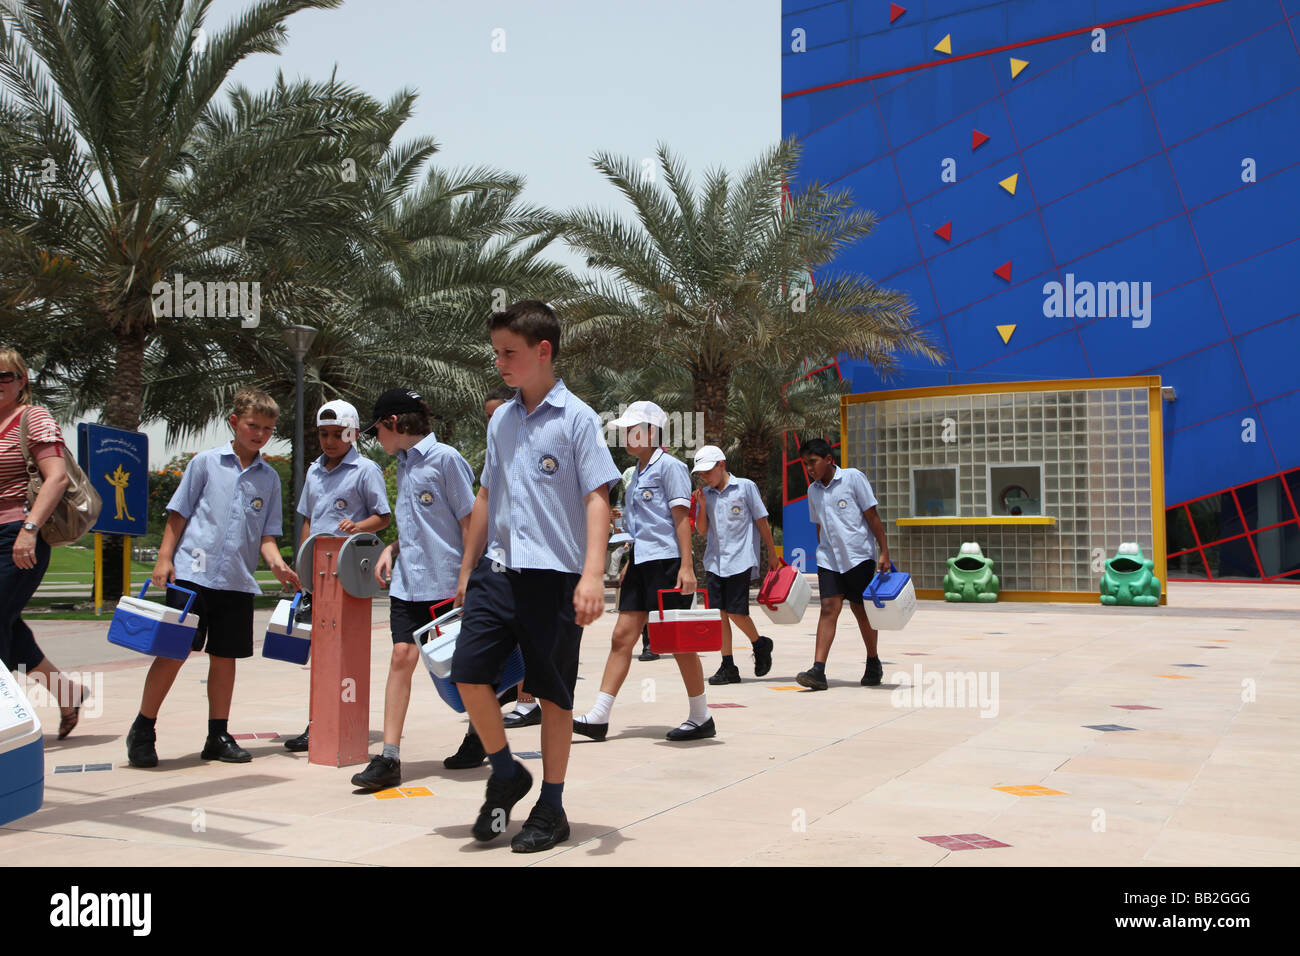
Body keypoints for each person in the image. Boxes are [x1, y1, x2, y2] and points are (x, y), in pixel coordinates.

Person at [452, 299, 620, 852]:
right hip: (497, 572)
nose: (499, 362)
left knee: (552, 693)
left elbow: (598, 497)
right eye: (496, 351)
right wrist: (467, 566)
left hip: (555, 577)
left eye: (510, 352)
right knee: (469, 672)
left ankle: (551, 806)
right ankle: (506, 771)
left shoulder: (577, 419)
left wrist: (591, 575)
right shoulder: (501, 419)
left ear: (543, 351)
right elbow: (486, 493)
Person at [126, 387, 301, 767]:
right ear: (235, 422)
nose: (260, 434)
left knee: (226, 658)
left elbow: (267, 535)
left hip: (237, 582)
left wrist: (276, 564)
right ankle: (143, 729)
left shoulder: (269, 479)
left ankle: (218, 735)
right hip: (192, 574)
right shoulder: (205, 463)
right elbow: (179, 513)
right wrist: (163, 558)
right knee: (174, 652)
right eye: (253, 425)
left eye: (268, 429)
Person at [350, 388, 476, 791]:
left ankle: (480, 735)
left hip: (446, 583)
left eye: (377, 431)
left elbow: (470, 522)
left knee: (461, 669)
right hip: (408, 583)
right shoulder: (403, 464)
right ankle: (389, 757)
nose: (377, 440)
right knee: (401, 657)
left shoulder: (446, 460)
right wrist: (393, 547)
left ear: (393, 424)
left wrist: (467, 578)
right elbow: (418, 523)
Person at [574, 401, 713, 742]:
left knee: (679, 643)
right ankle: (599, 716)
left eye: (632, 429)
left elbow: (681, 519)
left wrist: (686, 566)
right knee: (622, 637)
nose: (626, 435)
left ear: (652, 432)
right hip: (640, 561)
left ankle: (701, 716)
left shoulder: (671, 468)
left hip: (667, 563)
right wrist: (628, 562)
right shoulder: (635, 473)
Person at [283, 400, 391, 753]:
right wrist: (303, 565)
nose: (329, 441)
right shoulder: (313, 471)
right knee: (321, 653)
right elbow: (309, 520)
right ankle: (317, 723)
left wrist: (358, 526)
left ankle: (344, 720)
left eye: (337, 434)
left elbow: (383, 517)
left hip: (349, 572)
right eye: (323, 434)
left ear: (354, 434)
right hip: (318, 574)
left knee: (344, 650)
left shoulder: (366, 470)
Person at [0, 347, 86, 739]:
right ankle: (66, 692)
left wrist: (29, 530)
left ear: (22, 382)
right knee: (6, 622)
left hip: (17, 533)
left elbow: (56, 478)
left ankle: (9, 723)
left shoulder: (32, 418)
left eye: (6, 376)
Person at [795, 438, 891, 690]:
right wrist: (821, 551)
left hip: (858, 555)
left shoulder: (853, 478)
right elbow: (819, 525)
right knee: (828, 608)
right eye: (806, 464)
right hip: (829, 558)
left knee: (861, 611)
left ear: (829, 459)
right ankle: (818, 670)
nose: (810, 468)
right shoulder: (812, 491)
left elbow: (872, 515)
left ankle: (873, 661)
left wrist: (884, 552)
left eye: (813, 462)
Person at [690, 444, 778, 684]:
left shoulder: (746, 487)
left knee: (737, 612)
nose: (704, 476)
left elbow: (762, 521)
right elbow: (702, 531)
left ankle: (760, 644)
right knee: (720, 614)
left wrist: (771, 553)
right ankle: (728, 665)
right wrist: (701, 507)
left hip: (740, 560)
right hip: (715, 562)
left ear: (722, 465)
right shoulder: (705, 495)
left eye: (708, 471)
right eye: (701, 473)